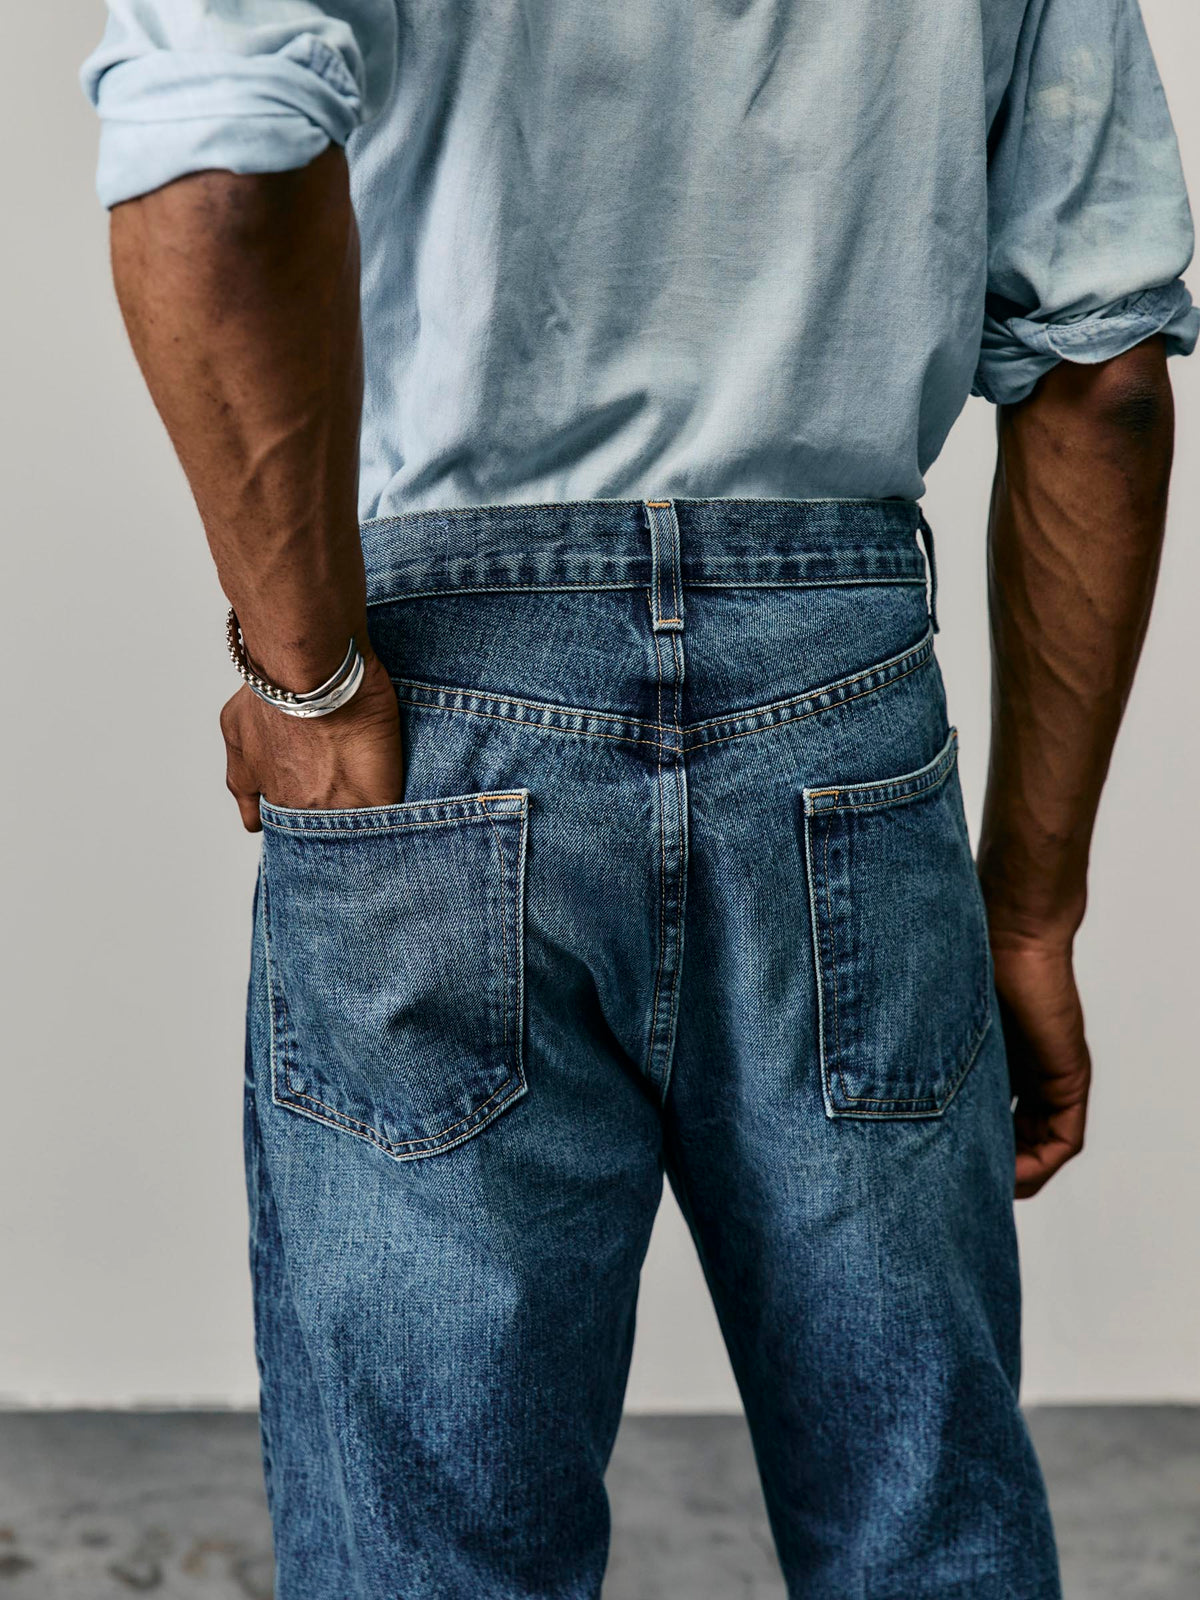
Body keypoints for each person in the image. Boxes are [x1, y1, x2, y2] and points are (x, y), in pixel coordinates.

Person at [82, 2, 1193, 1595]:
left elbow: (209, 181)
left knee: (433, 1552)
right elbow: (1106, 380)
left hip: (443, 715)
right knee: (922, 1531)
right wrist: (1027, 907)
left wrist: (311, 683)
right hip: (844, 709)